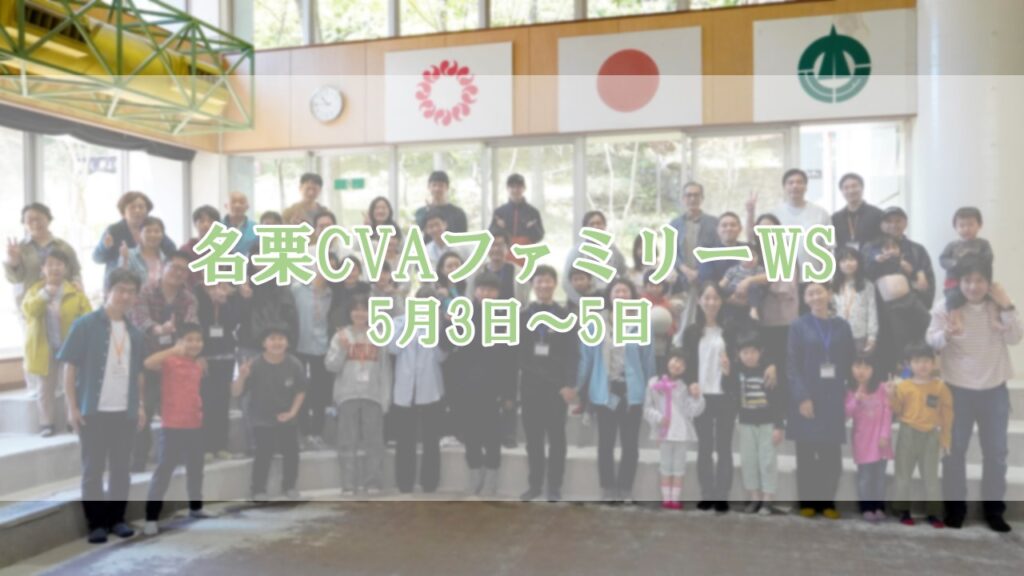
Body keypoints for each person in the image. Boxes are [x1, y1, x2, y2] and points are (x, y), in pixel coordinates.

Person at [926, 255, 1021, 532]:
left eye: (980, 280)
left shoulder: (999, 304)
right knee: (953, 452)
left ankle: (994, 512)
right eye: (967, 280)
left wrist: (1008, 306)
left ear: (989, 282)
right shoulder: (946, 306)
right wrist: (947, 333)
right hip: (957, 390)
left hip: (994, 390)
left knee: (996, 454)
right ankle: (956, 510)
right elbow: (932, 340)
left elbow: (1015, 337)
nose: (973, 286)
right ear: (959, 282)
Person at [56, 268, 146, 545]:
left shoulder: (136, 333)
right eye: (120, 290)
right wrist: (72, 407)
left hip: (124, 412)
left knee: (121, 469)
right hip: (93, 412)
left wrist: (140, 405)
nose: (125, 296)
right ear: (108, 291)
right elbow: (69, 368)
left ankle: (117, 519)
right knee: (93, 469)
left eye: (131, 292)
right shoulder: (85, 325)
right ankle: (96, 523)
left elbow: (138, 374)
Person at [576, 278, 656, 503]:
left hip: (632, 392)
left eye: (625, 291)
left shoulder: (641, 322)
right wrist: (576, 386)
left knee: (630, 445)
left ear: (632, 296)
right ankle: (608, 487)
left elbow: (648, 359)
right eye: (616, 291)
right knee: (605, 444)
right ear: (609, 296)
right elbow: (586, 358)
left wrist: (651, 390)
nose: (620, 295)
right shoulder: (595, 323)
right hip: (604, 391)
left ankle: (625, 487)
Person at [786, 282, 855, 520]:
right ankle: (807, 502)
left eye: (819, 291)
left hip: (833, 397)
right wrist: (802, 397)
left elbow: (850, 361)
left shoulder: (842, 326)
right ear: (805, 298)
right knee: (806, 454)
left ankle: (827, 502)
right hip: (807, 396)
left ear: (829, 294)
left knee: (831, 456)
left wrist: (851, 394)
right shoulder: (798, 326)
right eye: (810, 293)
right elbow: (792, 365)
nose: (815, 296)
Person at [445, 273, 517, 497]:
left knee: (493, 434)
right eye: (482, 289)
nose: (486, 294)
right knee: (471, 433)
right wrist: (447, 323)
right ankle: (475, 474)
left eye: (491, 290)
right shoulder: (463, 314)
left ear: (498, 293)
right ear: (475, 291)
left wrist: (509, 393)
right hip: (465, 386)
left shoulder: (505, 317)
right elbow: (445, 344)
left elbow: (511, 360)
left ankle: (491, 479)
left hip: (494, 388)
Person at [128, 252, 198, 471]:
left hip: (176, 363)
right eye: (174, 267)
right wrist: (159, 329)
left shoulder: (189, 298)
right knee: (145, 409)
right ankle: (139, 459)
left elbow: (191, 327)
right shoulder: (145, 291)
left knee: (177, 410)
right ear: (163, 267)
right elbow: (139, 320)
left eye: (183, 270)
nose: (179, 273)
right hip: (147, 358)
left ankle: (176, 456)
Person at [142, 323, 211, 536]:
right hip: (172, 425)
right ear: (180, 341)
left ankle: (196, 507)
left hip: (195, 424)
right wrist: (173, 349)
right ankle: (151, 518)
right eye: (189, 339)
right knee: (164, 470)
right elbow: (148, 363)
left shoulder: (199, 364)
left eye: (198, 340)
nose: (194, 344)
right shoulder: (169, 360)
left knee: (196, 469)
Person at [518, 265, 577, 502]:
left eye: (548, 280)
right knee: (533, 439)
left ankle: (554, 486)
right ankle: (534, 484)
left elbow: (572, 354)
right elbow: (520, 354)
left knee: (557, 439)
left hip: (558, 388)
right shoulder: (523, 316)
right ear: (533, 285)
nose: (543, 285)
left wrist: (569, 384)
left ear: (555, 284)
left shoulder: (565, 316)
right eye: (539, 281)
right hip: (531, 386)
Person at [325, 297, 391, 496]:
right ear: (350, 313)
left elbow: (385, 369)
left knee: (374, 442)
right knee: (347, 442)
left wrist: (385, 398)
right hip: (347, 395)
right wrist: (343, 349)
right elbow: (331, 366)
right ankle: (348, 484)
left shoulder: (379, 335)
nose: (360, 314)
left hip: (373, 395)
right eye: (356, 309)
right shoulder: (341, 336)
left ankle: (373, 482)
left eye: (364, 310)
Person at [233, 327, 307, 502]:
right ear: (264, 343)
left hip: (287, 416)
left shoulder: (294, 364)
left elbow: (301, 391)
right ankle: (258, 489)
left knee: (292, 451)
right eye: (272, 339)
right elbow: (236, 393)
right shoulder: (254, 364)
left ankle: (289, 486)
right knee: (263, 452)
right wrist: (242, 377)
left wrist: (292, 413)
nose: (277, 342)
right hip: (261, 418)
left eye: (281, 339)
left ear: (287, 343)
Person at [21, 250, 91, 436]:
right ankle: (46, 424)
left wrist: (83, 294)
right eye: (50, 264)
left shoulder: (75, 291)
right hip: (44, 348)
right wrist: (45, 294)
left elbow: (88, 316)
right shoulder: (34, 291)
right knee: (45, 388)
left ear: (66, 268)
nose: (55, 268)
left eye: (59, 264)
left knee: (71, 386)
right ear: (43, 268)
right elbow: (29, 312)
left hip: (70, 347)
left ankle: (71, 420)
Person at [682, 282, 738, 513]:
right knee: (704, 447)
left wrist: (730, 369)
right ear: (700, 301)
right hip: (701, 396)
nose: (711, 302)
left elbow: (739, 362)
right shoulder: (691, 332)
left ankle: (722, 494)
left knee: (724, 447)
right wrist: (691, 383)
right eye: (707, 297)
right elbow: (685, 363)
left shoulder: (730, 330)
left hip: (725, 396)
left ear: (721, 302)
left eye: (715, 298)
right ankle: (707, 493)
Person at [388, 287, 449, 494]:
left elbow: (442, 357)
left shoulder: (438, 326)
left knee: (431, 439)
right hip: (405, 389)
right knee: (405, 439)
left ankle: (430, 482)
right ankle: (404, 482)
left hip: (430, 389)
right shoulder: (399, 322)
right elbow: (392, 348)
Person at [889, 343, 952, 529]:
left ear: (933, 363)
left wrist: (945, 438)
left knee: (931, 477)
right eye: (916, 361)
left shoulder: (940, 387)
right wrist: (891, 395)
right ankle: (903, 511)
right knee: (903, 475)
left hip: (931, 436)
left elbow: (947, 414)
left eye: (926, 361)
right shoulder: (903, 386)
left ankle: (933, 513)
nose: (922, 365)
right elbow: (896, 410)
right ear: (909, 364)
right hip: (907, 433)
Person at [643, 349, 704, 510]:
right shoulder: (654, 383)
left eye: (682, 364)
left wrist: (697, 397)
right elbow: (647, 408)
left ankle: (675, 499)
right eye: (675, 360)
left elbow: (692, 411)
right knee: (665, 466)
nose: (678, 365)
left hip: (681, 434)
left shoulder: (684, 387)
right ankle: (666, 498)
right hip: (664, 433)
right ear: (668, 360)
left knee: (679, 467)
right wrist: (658, 418)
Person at [734, 331, 786, 516]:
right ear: (738, 354)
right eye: (745, 352)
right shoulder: (736, 372)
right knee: (749, 461)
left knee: (767, 461)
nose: (749, 356)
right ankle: (754, 498)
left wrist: (779, 426)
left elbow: (777, 400)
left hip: (767, 424)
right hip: (746, 424)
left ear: (760, 352)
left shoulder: (768, 372)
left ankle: (767, 500)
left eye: (753, 352)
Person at [195, 282, 248, 460]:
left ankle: (221, 445)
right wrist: (198, 355)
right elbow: (194, 324)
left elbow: (234, 322)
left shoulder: (230, 292)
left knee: (223, 401)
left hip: (225, 354)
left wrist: (224, 302)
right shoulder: (197, 293)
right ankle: (205, 446)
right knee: (205, 402)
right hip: (204, 354)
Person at [867, 235, 931, 376]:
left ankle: (929, 352)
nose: (891, 250)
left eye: (894, 247)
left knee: (928, 321)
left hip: (910, 300)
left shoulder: (904, 262)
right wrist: (876, 260)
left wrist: (914, 271)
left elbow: (916, 272)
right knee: (899, 341)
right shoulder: (877, 263)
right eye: (887, 248)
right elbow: (868, 271)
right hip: (892, 308)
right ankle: (904, 370)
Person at [5, 202, 81, 311]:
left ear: (48, 219)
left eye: (39, 218)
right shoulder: (19, 248)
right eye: (30, 220)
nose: (35, 223)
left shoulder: (64, 247)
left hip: (62, 305)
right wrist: (13, 261)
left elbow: (76, 273)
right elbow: (14, 280)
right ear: (24, 224)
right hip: (31, 306)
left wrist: (78, 285)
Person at [844, 356, 892, 522]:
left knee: (879, 477)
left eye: (866, 367)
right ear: (851, 368)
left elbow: (887, 412)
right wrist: (856, 399)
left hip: (881, 441)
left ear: (873, 369)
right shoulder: (849, 390)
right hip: (862, 441)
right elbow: (846, 414)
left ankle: (879, 506)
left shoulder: (881, 388)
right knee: (865, 477)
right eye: (858, 366)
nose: (861, 371)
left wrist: (885, 435)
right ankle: (866, 507)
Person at [291, 265, 334, 451]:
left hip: (322, 347)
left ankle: (316, 432)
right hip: (299, 346)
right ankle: (303, 431)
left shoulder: (332, 294)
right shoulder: (297, 289)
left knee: (319, 393)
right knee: (299, 389)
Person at [93, 191, 177, 281]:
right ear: (123, 213)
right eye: (132, 207)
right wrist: (105, 247)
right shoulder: (114, 230)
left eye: (141, 207)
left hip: (150, 282)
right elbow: (97, 258)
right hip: (119, 282)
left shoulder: (153, 228)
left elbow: (172, 252)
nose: (137, 210)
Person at [669, 182, 720, 328]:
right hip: (682, 279)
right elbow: (670, 252)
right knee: (682, 319)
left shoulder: (714, 223)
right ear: (683, 199)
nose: (692, 199)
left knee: (705, 319)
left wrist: (700, 271)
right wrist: (685, 269)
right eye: (689, 195)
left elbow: (717, 250)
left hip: (706, 278)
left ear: (702, 198)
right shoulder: (675, 224)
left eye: (696, 195)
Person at [939, 207, 994, 333]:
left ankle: (994, 319)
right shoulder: (952, 246)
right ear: (955, 227)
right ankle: (955, 321)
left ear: (979, 225)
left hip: (979, 280)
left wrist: (974, 261)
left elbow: (989, 258)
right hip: (954, 281)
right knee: (952, 298)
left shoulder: (983, 244)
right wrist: (954, 263)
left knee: (992, 296)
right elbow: (943, 259)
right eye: (962, 225)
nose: (966, 229)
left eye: (970, 224)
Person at [562, 210, 628, 303]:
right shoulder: (576, 252)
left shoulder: (613, 250)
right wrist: (581, 302)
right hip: (582, 301)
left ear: (604, 226)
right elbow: (566, 282)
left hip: (608, 301)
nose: (596, 227)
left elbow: (624, 273)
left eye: (599, 223)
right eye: (591, 224)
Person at [832, 246, 879, 358]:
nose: (848, 263)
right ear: (838, 264)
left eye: (852, 259)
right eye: (843, 260)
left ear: (858, 262)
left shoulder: (867, 285)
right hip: (838, 335)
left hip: (860, 335)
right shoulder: (834, 285)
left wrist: (872, 336)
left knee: (859, 366)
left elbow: (872, 311)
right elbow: (831, 311)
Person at [489, 173, 545, 265]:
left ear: (524, 188)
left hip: (526, 255)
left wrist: (532, 228)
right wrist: (500, 228)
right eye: (512, 187)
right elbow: (491, 235)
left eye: (519, 187)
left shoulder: (533, 212)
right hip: (504, 256)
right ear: (508, 189)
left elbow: (539, 236)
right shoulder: (499, 212)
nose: (515, 190)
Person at [467, 231, 529, 306]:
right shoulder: (477, 272)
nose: (496, 249)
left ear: (508, 248)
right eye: (492, 245)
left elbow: (525, 303)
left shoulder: (519, 273)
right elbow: (470, 298)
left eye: (500, 245)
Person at [831, 173, 884, 251]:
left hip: (869, 258)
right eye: (846, 188)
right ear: (842, 191)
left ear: (862, 188)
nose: (851, 191)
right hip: (844, 258)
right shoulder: (835, 218)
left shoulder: (877, 214)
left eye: (854, 186)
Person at [414, 170, 468, 241]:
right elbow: (419, 233)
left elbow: (462, 239)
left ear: (447, 188)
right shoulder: (421, 212)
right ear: (429, 187)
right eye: (434, 185)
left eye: (441, 185)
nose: (437, 189)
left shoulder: (458, 213)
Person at [118, 216, 169, 288]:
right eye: (148, 231)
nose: (153, 235)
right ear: (139, 234)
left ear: (162, 235)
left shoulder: (166, 259)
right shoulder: (129, 255)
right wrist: (124, 259)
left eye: (157, 231)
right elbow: (121, 280)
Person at [180, 205, 221, 287]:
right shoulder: (185, 250)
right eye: (202, 221)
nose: (206, 224)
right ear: (195, 224)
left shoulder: (225, 250)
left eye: (210, 221)